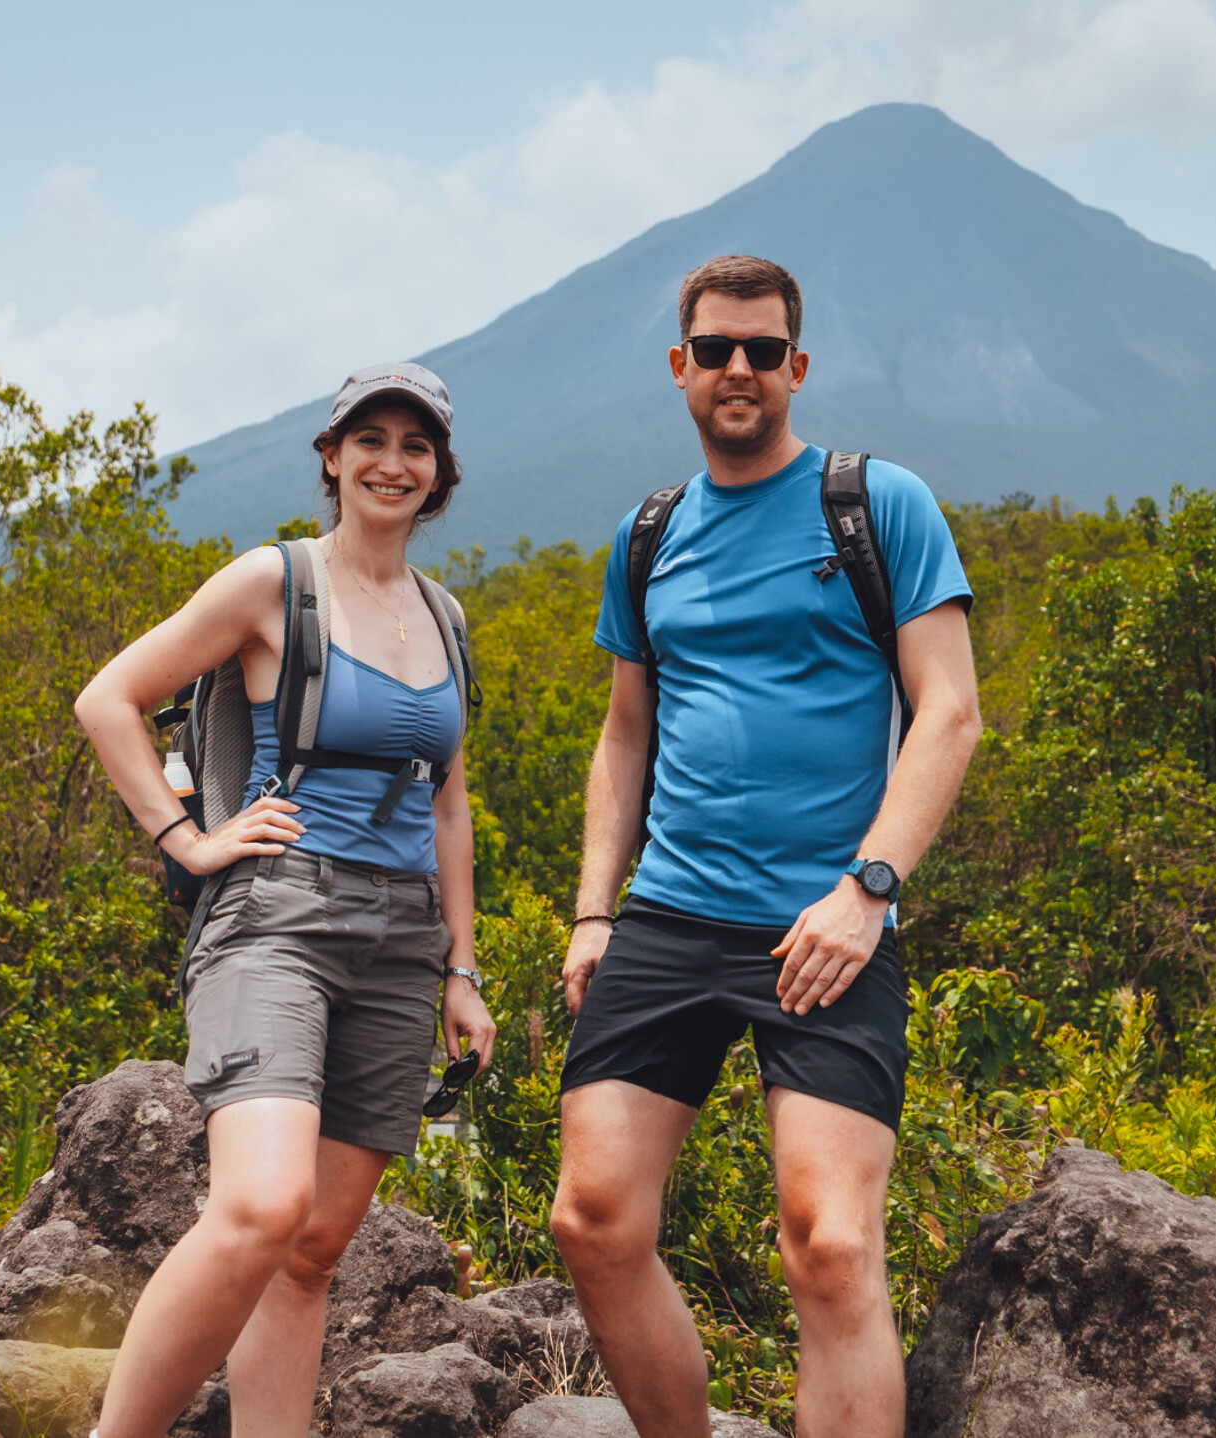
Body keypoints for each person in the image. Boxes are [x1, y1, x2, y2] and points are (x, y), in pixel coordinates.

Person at [551, 256, 981, 1438]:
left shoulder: (875, 503)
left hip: (827, 922)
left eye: (761, 349)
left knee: (831, 1245)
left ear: (797, 365)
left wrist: (868, 890)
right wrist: (596, 910)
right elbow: (624, 734)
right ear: (680, 367)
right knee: (592, 1218)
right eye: (714, 349)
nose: (737, 369)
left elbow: (948, 713)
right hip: (672, 915)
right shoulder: (647, 535)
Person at [74, 362, 496, 1438]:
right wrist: (188, 838)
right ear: (331, 456)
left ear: (439, 473)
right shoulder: (274, 582)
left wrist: (462, 970)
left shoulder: (443, 616)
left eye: (415, 444)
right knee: (260, 1208)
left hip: (404, 943)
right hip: (277, 921)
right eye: (371, 439)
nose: (391, 461)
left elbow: (447, 807)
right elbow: (108, 698)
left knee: (311, 1251)